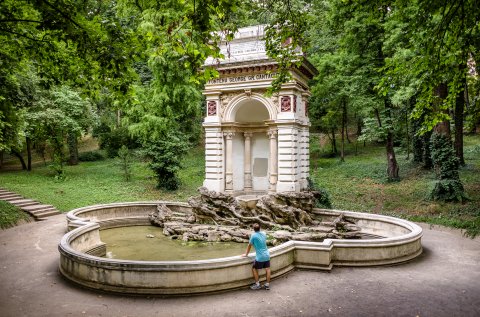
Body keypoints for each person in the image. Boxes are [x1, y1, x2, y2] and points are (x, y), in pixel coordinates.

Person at [242, 223, 271, 290]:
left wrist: (246, 254)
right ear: (260, 228)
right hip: (267, 255)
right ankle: (267, 285)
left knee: (254, 268)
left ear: (253, 229)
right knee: (268, 269)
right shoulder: (264, 233)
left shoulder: (253, 235)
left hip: (260, 257)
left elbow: (249, 245)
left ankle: (257, 284)